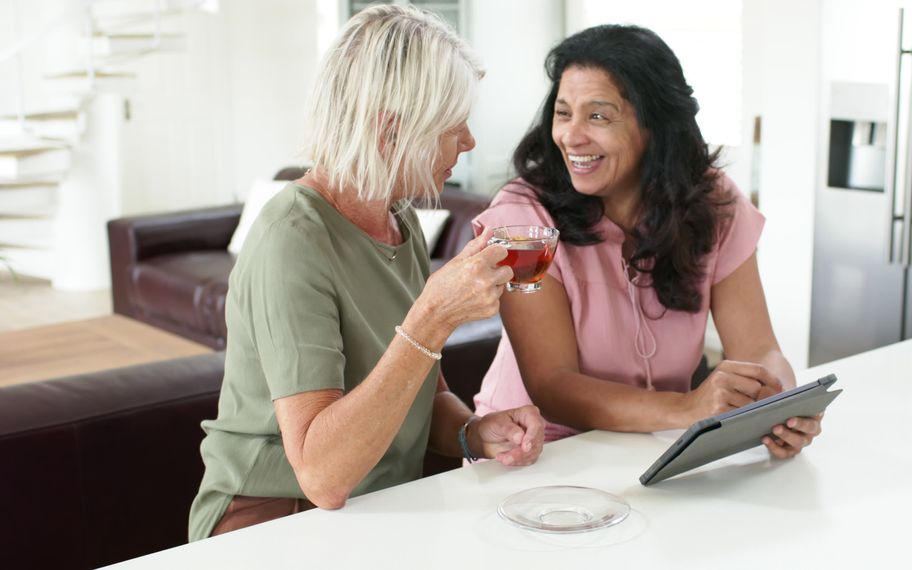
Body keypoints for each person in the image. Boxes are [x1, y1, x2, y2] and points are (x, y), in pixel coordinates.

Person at [188, 5, 544, 542]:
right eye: (453, 123)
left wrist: (474, 431)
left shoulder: (399, 219)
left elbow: (422, 396)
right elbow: (321, 477)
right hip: (274, 521)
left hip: (380, 507)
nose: (468, 140)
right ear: (390, 131)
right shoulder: (292, 239)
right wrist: (432, 316)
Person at [472, 24, 822, 458]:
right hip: (531, 456)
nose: (571, 136)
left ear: (656, 124)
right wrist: (689, 407)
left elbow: (759, 349)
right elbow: (552, 385)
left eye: (598, 115)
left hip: (656, 449)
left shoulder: (714, 202)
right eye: (564, 113)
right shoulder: (522, 218)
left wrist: (779, 405)